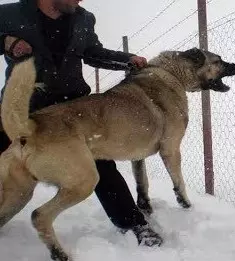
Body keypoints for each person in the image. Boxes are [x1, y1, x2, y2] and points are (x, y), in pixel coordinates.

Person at [0, 0, 163, 246]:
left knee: (101, 166)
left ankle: (133, 224)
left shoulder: (83, 18)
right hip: (24, 109)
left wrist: (127, 59)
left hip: (73, 113)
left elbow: (94, 53)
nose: (80, 0)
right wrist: (6, 42)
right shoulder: (9, 13)